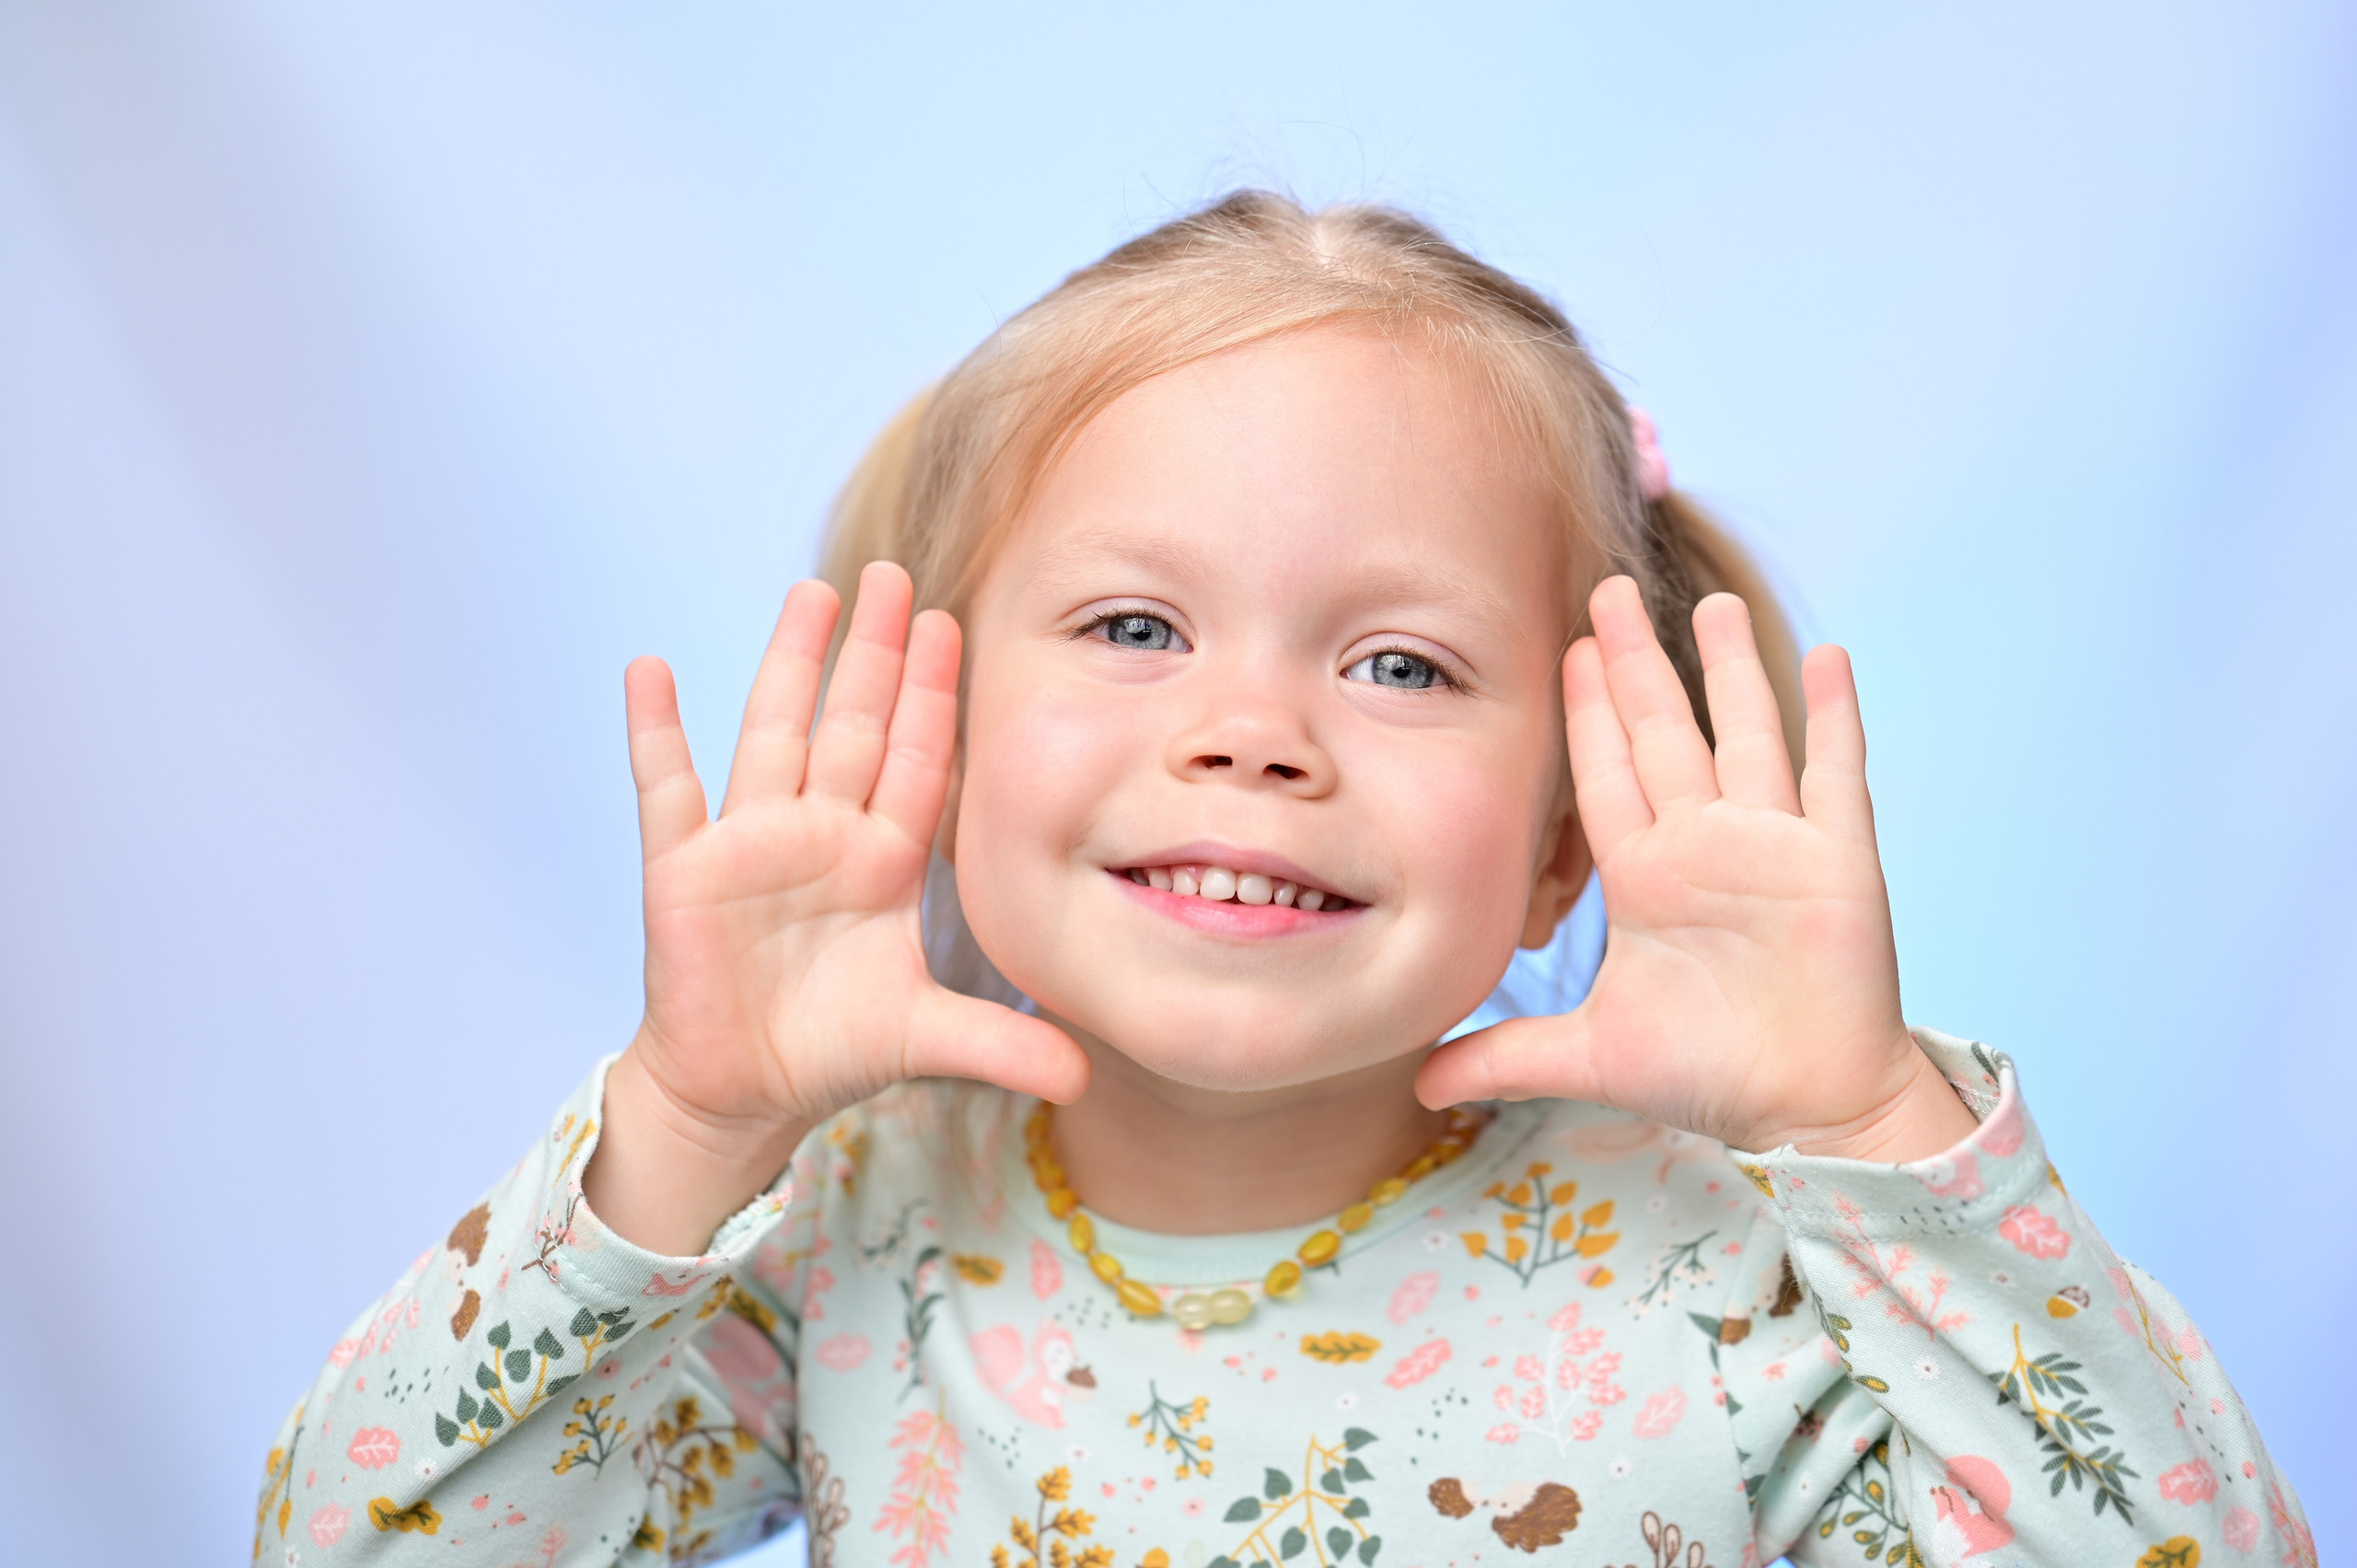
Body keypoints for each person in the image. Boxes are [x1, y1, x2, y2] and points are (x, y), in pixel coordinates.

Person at [257, 192, 2311, 1568]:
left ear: (1559, 836)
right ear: (940, 733)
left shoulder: (1734, 1255)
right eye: (1135, 628)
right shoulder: (849, 1217)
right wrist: (689, 1127)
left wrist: (1864, 1124)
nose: (1254, 734)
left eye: (1400, 665)